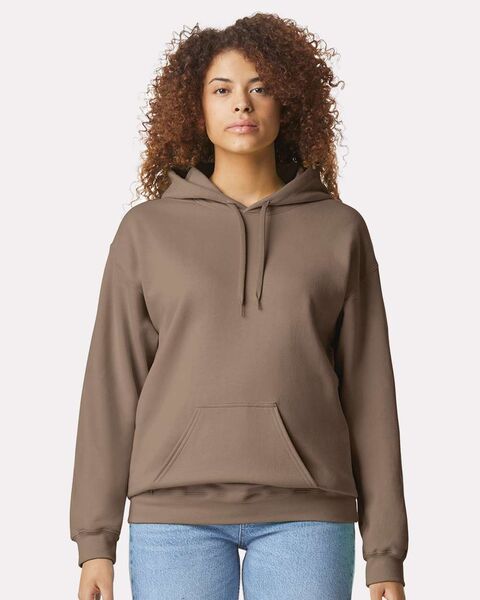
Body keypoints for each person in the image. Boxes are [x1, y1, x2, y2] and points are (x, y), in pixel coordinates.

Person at [69, 13, 408, 600]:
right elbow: (111, 384)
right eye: (221, 90)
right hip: (174, 515)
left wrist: (385, 555)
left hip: (309, 514)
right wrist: (95, 541)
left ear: (289, 102)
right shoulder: (146, 231)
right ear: (195, 108)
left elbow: (370, 390)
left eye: (260, 87)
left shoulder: (339, 230)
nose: (242, 104)